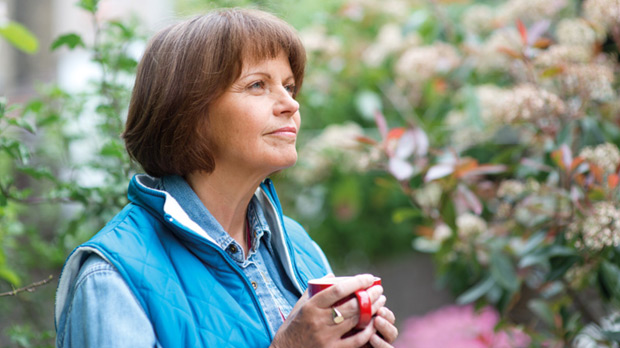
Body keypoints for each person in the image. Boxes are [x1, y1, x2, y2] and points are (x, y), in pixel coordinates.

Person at [54, 8, 398, 348]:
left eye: (289, 87)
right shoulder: (112, 277)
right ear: (189, 112)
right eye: (258, 85)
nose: (290, 104)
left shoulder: (300, 246)